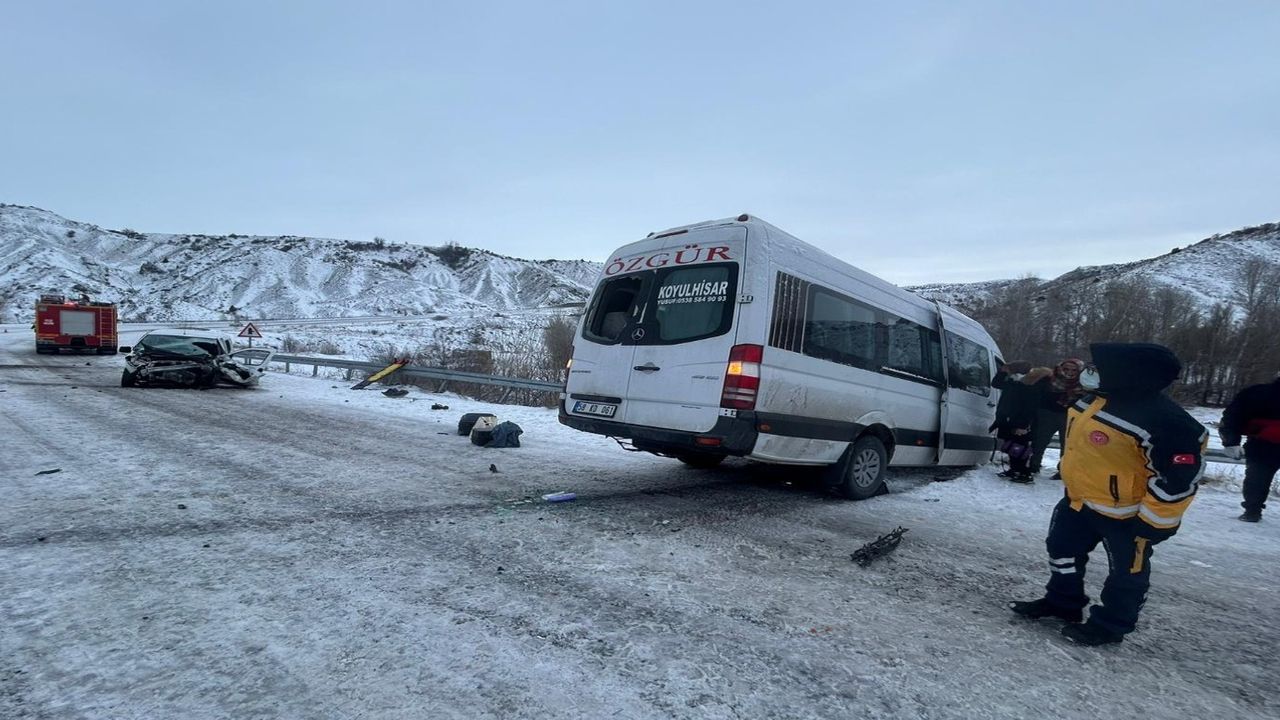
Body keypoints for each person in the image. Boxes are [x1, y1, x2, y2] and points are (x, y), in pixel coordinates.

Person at [1009, 343, 1207, 646]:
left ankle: (1111, 625)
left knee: (1126, 574)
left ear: (1130, 374)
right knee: (1061, 550)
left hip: (1127, 514)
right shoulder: (1093, 400)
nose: (1091, 371)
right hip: (1078, 502)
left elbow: (1180, 477)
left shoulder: (1169, 421)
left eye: (1100, 366)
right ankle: (1063, 603)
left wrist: (1156, 522)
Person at [1219, 372, 1280, 522]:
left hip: (1262, 446)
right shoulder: (1257, 393)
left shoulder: (1256, 392)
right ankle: (1252, 510)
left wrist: (1231, 441)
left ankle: (1252, 511)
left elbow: (1232, 417)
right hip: (1263, 445)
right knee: (1257, 479)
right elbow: (1233, 416)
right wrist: (1231, 441)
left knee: (1256, 479)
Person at [1026, 358, 1087, 478]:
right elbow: (1036, 392)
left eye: (1074, 370)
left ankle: (1063, 470)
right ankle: (1034, 465)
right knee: (1040, 441)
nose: (1069, 372)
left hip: (1070, 416)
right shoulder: (1050, 378)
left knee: (1067, 444)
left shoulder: (1084, 383)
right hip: (1047, 413)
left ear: (1079, 371)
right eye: (1066, 369)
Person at [990, 361, 1039, 483]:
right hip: (1007, 418)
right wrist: (1001, 373)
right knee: (1010, 445)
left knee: (1020, 446)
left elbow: (1030, 407)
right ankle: (1014, 469)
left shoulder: (1029, 385)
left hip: (1019, 420)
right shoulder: (1012, 382)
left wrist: (1023, 424)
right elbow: (996, 383)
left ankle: (1024, 472)